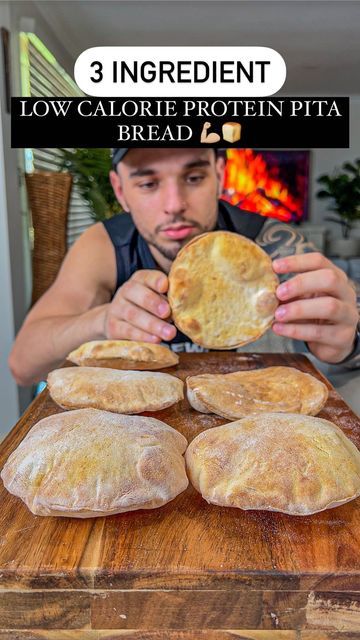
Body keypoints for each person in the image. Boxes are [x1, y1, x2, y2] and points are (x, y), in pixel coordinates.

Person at [9, 147, 360, 386]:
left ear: (219, 173)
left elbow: (344, 335)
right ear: (119, 189)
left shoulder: (272, 244)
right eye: (148, 183)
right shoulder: (105, 246)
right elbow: (22, 365)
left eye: (193, 178)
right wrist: (103, 319)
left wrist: (345, 347)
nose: (174, 205)